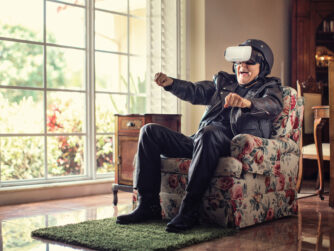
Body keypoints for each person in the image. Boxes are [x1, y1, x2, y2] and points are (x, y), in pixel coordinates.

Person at [116, 39, 283, 233]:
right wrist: (171, 83)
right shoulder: (223, 82)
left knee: (209, 132)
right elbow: (196, 91)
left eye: (249, 62)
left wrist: (247, 103)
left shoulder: (270, 86)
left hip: (228, 143)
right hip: (200, 141)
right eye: (239, 62)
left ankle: (189, 210)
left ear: (262, 66)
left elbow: (273, 104)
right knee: (149, 131)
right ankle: (148, 206)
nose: (242, 66)